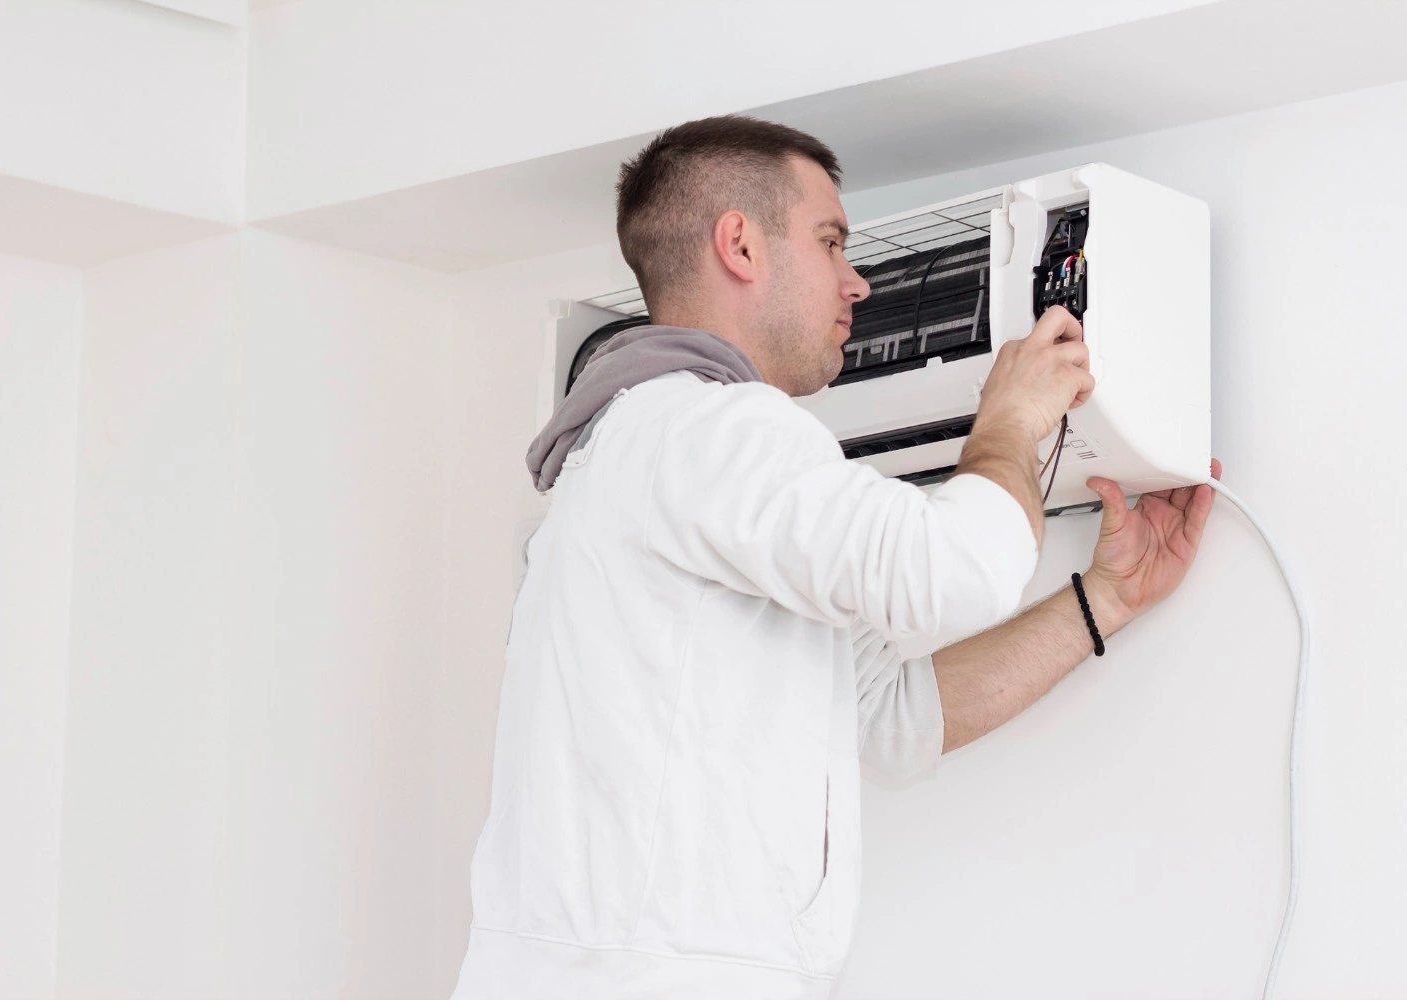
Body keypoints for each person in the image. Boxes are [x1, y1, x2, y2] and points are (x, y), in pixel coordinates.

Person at [450, 115, 1219, 1000]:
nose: (857, 282)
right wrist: (1008, 421)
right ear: (738, 244)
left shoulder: (655, 456)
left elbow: (892, 716)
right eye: (830, 242)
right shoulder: (706, 426)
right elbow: (954, 570)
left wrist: (1104, 601)